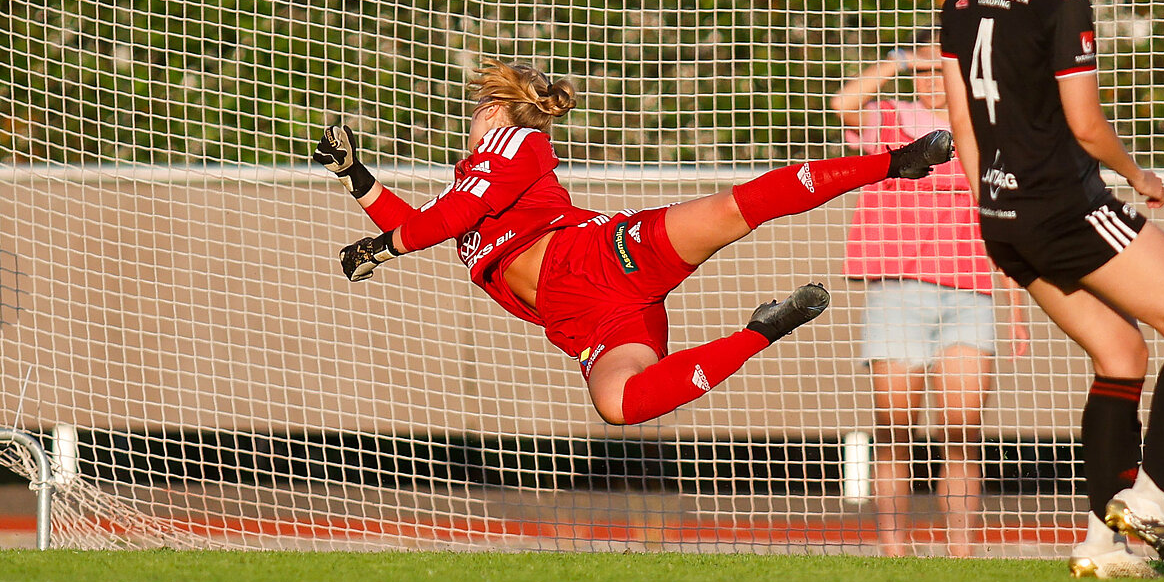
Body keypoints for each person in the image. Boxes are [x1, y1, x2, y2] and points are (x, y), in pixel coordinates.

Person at [314, 61, 954, 427]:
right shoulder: (471, 180)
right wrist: (355, 177)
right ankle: (763, 331)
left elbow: (439, 223)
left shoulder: (512, 146)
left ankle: (895, 163)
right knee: (620, 405)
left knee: (734, 210)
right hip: (594, 316)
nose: (471, 116)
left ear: (498, 112)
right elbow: (423, 218)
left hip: (599, 254)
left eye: (479, 107)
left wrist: (386, 247)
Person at [937, 0, 1164, 578]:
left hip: (1002, 215)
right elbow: (1087, 124)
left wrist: (991, 211)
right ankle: (1154, 496)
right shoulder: (1061, 0)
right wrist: (1137, 176)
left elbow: (964, 127)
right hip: (1063, 207)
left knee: (1121, 356)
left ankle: (1104, 545)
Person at [832, 40, 1028, 558]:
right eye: (922, 73)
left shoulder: (984, 136)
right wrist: (899, 60)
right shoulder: (885, 122)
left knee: (961, 431)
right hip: (897, 295)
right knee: (894, 428)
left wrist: (1016, 311)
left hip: (971, 295)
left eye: (940, 72)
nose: (929, 81)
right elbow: (841, 104)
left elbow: (1002, 224)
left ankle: (961, 551)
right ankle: (893, 549)